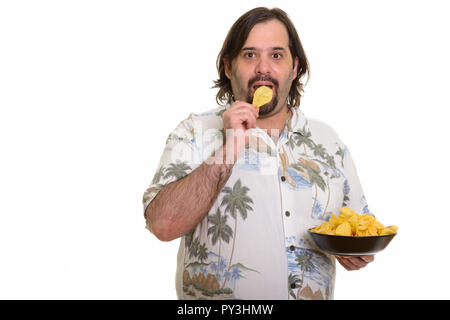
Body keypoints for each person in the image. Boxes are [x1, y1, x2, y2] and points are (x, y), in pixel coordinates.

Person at [142, 7, 374, 300]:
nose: (263, 68)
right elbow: (162, 225)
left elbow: (359, 230)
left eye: (276, 55)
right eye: (250, 55)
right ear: (228, 67)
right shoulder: (195, 132)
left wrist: (356, 252)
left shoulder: (329, 141)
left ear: (294, 67)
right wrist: (229, 148)